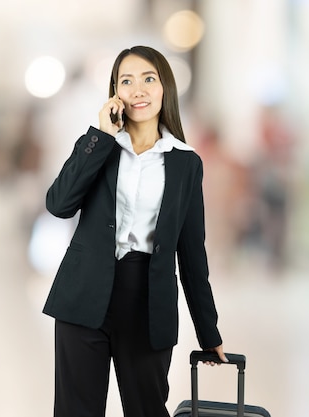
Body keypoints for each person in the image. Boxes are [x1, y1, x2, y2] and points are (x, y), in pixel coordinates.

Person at [42, 46, 228, 417]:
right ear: (115, 93)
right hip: (83, 297)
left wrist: (208, 332)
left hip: (147, 301)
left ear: (165, 89)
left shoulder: (185, 164)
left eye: (148, 79)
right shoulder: (100, 146)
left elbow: (192, 253)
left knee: (147, 410)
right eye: (126, 81)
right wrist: (100, 135)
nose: (138, 89)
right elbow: (58, 204)